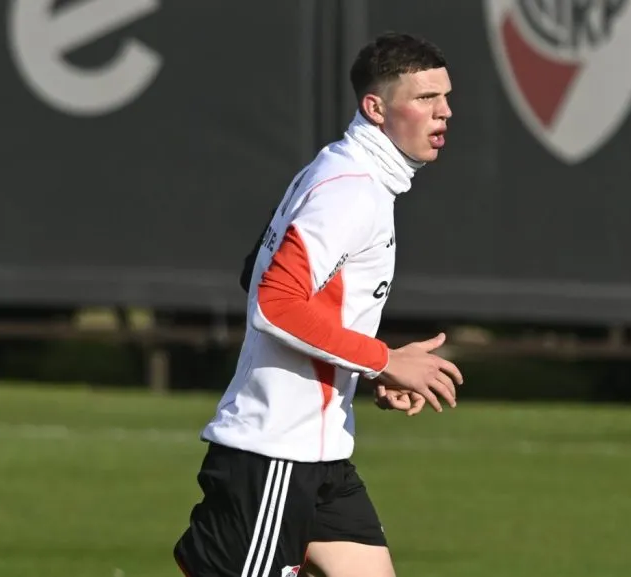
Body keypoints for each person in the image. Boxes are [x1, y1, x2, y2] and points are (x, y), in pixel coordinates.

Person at [173, 31, 463, 577]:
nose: (444, 112)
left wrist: (372, 371)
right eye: (425, 98)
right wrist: (384, 359)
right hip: (273, 455)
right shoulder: (349, 189)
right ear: (375, 108)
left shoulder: (347, 172)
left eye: (445, 97)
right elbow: (275, 303)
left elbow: (256, 274)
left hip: (320, 458)